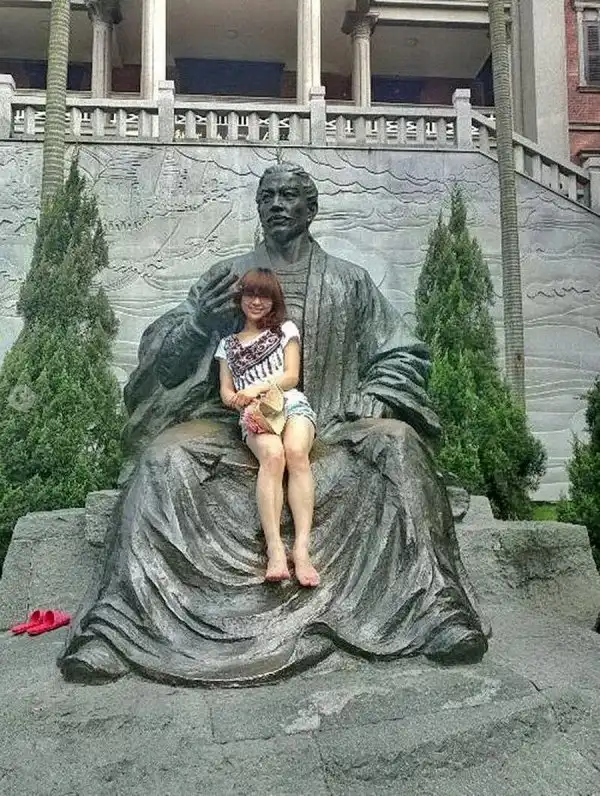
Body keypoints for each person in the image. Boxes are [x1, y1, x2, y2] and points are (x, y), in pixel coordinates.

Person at [59, 163, 488, 686]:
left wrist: (377, 392)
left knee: (398, 443)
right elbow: (165, 366)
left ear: (312, 208)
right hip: (235, 424)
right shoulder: (226, 278)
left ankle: (434, 613)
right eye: (268, 196)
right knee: (162, 459)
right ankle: (120, 630)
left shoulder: (349, 281)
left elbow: (401, 352)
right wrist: (197, 323)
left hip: (324, 422)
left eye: (290, 196)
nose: (278, 204)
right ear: (259, 207)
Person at [215, 268, 319, 586]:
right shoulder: (227, 346)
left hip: (291, 404)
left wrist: (256, 387)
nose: (256, 302)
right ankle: (275, 549)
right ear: (240, 298)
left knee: (296, 452)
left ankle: (301, 550)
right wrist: (236, 399)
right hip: (255, 414)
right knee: (273, 456)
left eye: (264, 296)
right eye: (250, 294)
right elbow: (226, 391)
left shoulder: (285, 330)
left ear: (274, 301)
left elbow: (291, 376)